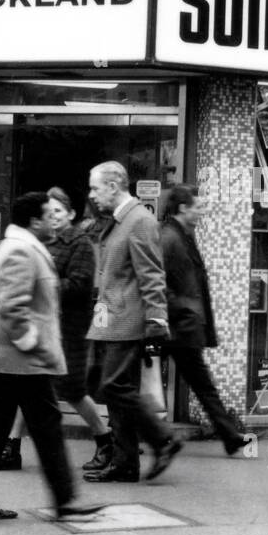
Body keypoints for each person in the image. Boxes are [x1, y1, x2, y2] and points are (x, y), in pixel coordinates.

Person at [0, 192, 104, 522]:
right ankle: (65, 500)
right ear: (34, 221)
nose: (54, 220)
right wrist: (32, 344)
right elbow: (11, 308)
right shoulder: (21, 251)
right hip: (21, 361)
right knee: (47, 427)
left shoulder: (23, 247)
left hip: (12, 360)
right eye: (47, 215)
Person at [0, 186, 115, 473]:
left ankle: (104, 439)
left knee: (73, 390)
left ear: (71, 214)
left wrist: (44, 285)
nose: (52, 218)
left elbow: (80, 284)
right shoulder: (43, 242)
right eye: (48, 212)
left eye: (58, 212)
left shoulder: (80, 243)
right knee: (30, 385)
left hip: (71, 328)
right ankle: (12, 446)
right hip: (45, 325)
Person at [83, 161, 182, 484]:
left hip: (128, 321)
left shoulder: (139, 220)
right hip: (112, 320)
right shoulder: (119, 220)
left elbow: (152, 274)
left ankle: (159, 441)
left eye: (96, 188)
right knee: (113, 388)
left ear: (113, 186)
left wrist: (157, 320)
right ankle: (126, 460)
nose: (92, 195)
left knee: (116, 387)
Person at [158, 184, 256, 457]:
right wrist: (184, 310)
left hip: (181, 326)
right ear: (182, 209)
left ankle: (229, 436)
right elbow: (159, 283)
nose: (202, 212)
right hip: (177, 325)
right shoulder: (170, 238)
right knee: (200, 384)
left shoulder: (180, 235)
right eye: (197, 207)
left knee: (201, 383)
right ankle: (228, 436)